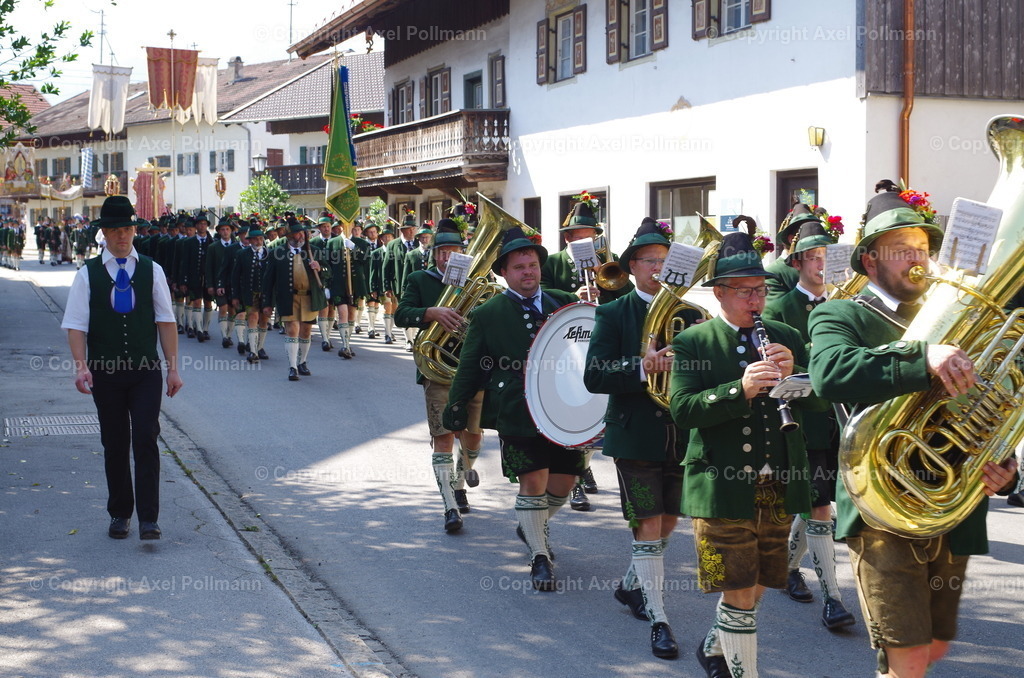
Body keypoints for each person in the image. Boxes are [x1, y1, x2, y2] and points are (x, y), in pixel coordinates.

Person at [808, 184, 1018, 678]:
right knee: (906, 660)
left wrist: (1002, 463)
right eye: (901, 250)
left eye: (923, 248)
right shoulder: (841, 314)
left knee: (932, 648)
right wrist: (921, 355)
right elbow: (830, 372)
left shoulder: (965, 317)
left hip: (954, 504)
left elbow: (993, 403)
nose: (916, 258)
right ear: (870, 262)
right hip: (883, 508)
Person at [670, 227, 822, 678]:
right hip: (721, 485)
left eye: (760, 290)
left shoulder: (783, 334)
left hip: (777, 482)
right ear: (720, 293)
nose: (756, 300)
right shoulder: (693, 342)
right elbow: (683, 409)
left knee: (756, 587)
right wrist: (739, 390)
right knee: (737, 587)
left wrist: (800, 375)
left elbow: (816, 399)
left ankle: (716, 644)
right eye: (745, 292)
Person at [584, 217, 701, 659]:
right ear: (632, 266)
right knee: (647, 526)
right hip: (635, 434)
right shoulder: (613, 313)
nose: (660, 267)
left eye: (667, 260)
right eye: (651, 260)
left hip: (681, 432)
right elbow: (594, 375)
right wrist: (641, 368)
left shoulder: (691, 314)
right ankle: (660, 619)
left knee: (669, 521)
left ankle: (631, 587)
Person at [443, 226, 579, 590]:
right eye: (519, 267)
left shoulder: (565, 302)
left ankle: (530, 524)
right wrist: (456, 406)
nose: (528, 272)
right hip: (517, 409)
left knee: (564, 486)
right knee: (532, 481)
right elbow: (471, 364)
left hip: (566, 408)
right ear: (504, 272)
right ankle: (539, 556)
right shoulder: (488, 313)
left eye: (532, 265)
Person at [60, 195, 183, 540]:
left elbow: (166, 321)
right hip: (106, 373)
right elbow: (75, 325)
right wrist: (81, 367)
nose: (122, 236)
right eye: (115, 230)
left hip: (145, 371)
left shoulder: (151, 270)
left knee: (146, 436)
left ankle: (149, 518)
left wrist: (173, 369)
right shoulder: (88, 274)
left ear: (134, 230)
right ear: (105, 233)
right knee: (115, 442)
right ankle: (120, 513)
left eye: (127, 228)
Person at [762, 218, 856, 630]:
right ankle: (833, 599)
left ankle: (786, 566)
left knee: (818, 503)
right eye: (815, 258)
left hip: (848, 422)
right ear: (798, 262)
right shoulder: (778, 309)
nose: (823, 265)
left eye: (828, 258)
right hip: (806, 422)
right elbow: (776, 368)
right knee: (820, 505)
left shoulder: (848, 304)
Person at [541, 200, 633, 510]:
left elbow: (628, 295)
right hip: (566, 344)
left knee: (598, 409)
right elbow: (539, 295)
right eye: (580, 236)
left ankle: (584, 464)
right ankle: (576, 481)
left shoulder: (609, 259)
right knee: (575, 409)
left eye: (591, 236)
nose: (587, 241)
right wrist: (573, 296)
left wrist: (604, 280)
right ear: (568, 238)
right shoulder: (552, 262)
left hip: (603, 342)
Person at [396, 220, 484, 532]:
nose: (447, 258)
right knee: (443, 436)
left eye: (454, 251)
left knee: (473, 435)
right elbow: (401, 314)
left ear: (464, 254)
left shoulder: (479, 281)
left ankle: (459, 481)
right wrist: (430, 313)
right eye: (442, 252)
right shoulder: (421, 279)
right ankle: (449, 504)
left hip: (472, 368)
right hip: (437, 370)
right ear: (434, 256)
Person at [262, 218, 326, 380]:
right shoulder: (278, 252)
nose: (301, 237)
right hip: (288, 298)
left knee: (306, 331)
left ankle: (302, 362)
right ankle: (292, 366)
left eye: (302, 234)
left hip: (309, 298)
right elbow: (268, 280)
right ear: (289, 236)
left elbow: (329, 272)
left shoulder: (314, 250)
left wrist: (320, 268)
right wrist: (267, 303)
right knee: (292, 330)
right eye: (297, 234)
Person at [231, 226, 271, 362]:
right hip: (249, 293)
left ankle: (260, 347)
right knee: (252, 318)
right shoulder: (242, 254)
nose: (258, 241)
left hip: (266, 293)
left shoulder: (269, 253)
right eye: (255, 239)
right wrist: (235, 295)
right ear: (250, 240)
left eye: (260, 238)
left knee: (264, 320)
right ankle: (253, 351)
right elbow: (235, 276)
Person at [765, 203, 817, 302]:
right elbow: (779, 313)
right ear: (792, 239)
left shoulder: (818, 266)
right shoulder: (772, 273)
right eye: (809, 236)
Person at [180, 212, 215, 342]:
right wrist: (183, 280)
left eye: (204, 224)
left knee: (208, 302)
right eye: (200, 224)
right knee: (196, 301)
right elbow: (185, 262)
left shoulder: (212, 241)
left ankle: (205, 329)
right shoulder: (189, 242)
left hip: (208, 278)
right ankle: (198, 329)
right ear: (196, 226)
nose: (202, 226)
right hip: (193, 277)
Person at [206, 215, 238, 348]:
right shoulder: (213, 247)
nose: (225, 232)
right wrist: (210, 284)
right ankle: (224, 336)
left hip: (233, 284)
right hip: (219, 283)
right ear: (219, 232)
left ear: (231, 231)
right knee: (223, 308)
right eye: (222, 229)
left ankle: (229, 335)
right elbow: (209, 267)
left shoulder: (237, 246)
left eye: (227, 229)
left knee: (232, 310)